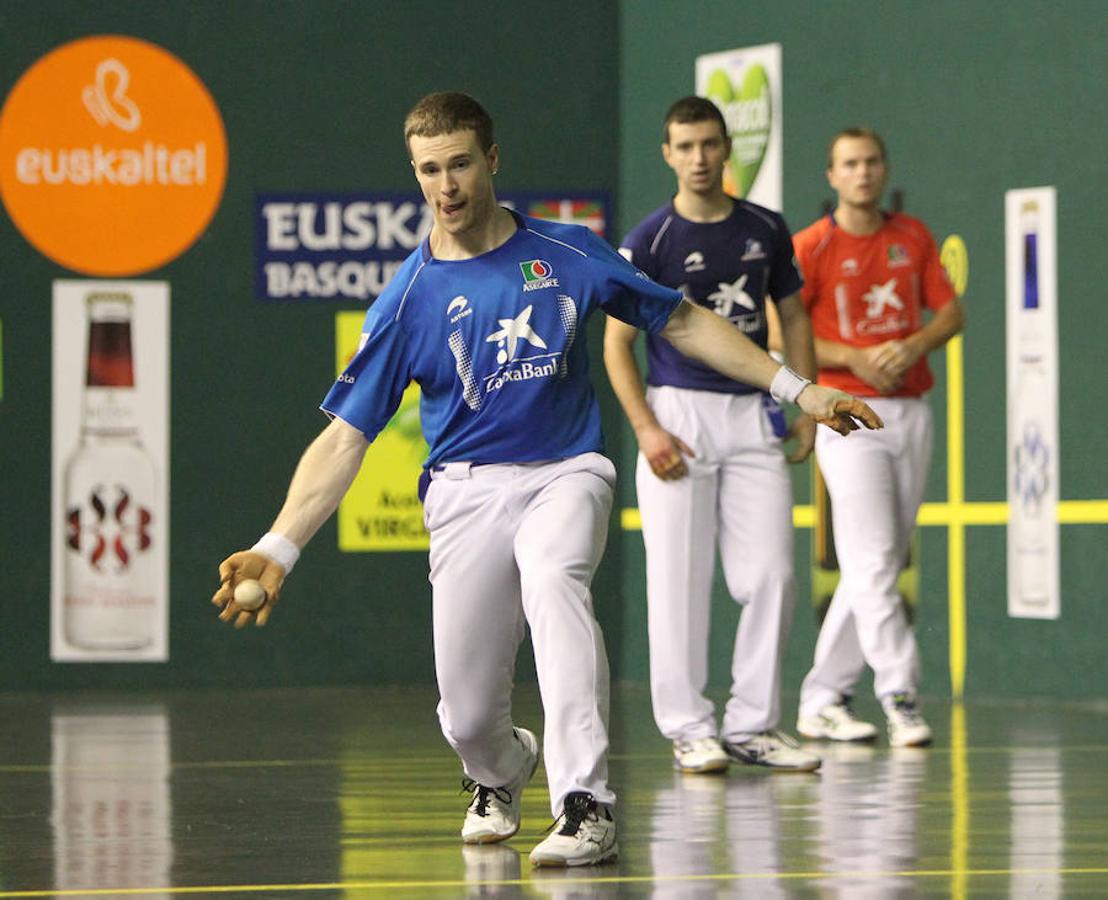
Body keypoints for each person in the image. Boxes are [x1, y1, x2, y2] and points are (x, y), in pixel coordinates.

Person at [210, 93, 881, 868]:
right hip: (464, 491)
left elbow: (688, 322)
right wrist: (278, 546)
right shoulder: (408, 298)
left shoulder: (567, 253)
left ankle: (585, 801)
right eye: (429, 171)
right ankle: (501, 770)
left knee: (556, 579)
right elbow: (345, 437)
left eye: (460, 164)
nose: (446, 185)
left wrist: (801, 389)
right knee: (465, 717)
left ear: (491, 161)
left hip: (568, 470)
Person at [604, 96, 821, 775]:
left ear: (728, 149)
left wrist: (807, 405)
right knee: (678, 580)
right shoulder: (650, 240)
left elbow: (794, 315)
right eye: (685, 146)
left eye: (709, 144)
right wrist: (647, 429)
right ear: (668, 155)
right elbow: (617, 346)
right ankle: (689, 727)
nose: (699, 158)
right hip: (678, 415)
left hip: (754, 412)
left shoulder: (766, 227)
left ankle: (754, 724)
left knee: (775, 576)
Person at [792, 127, 964, 748]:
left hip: (913, 409)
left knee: (880, 563)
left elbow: (950, 312)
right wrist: (854, 358)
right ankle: (901, 693)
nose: (862, 173)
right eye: (849, 164)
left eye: (871, 163)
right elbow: (786, 333)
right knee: (870, 559)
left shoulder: (911, 236)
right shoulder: (809, 247)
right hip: (845, 413)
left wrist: (911, 344)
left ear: (884, 170)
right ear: (832, 175)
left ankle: (820, 698)